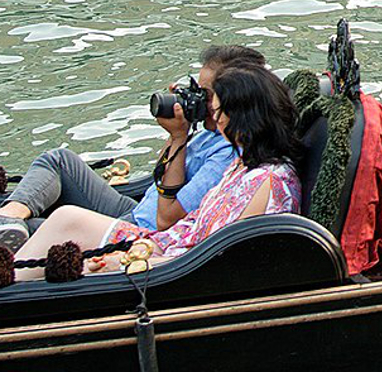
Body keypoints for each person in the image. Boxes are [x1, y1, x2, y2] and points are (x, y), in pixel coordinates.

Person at [10, 61, 301, 280]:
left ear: (244, 117)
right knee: (65, 218)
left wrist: (126, 261)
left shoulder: (269, 181)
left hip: (171, 268)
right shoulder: (244, 163)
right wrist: (178, 136)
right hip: (163, 247)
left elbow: (220, 258)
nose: (216, 118)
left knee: (58, 225)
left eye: (220, 111)